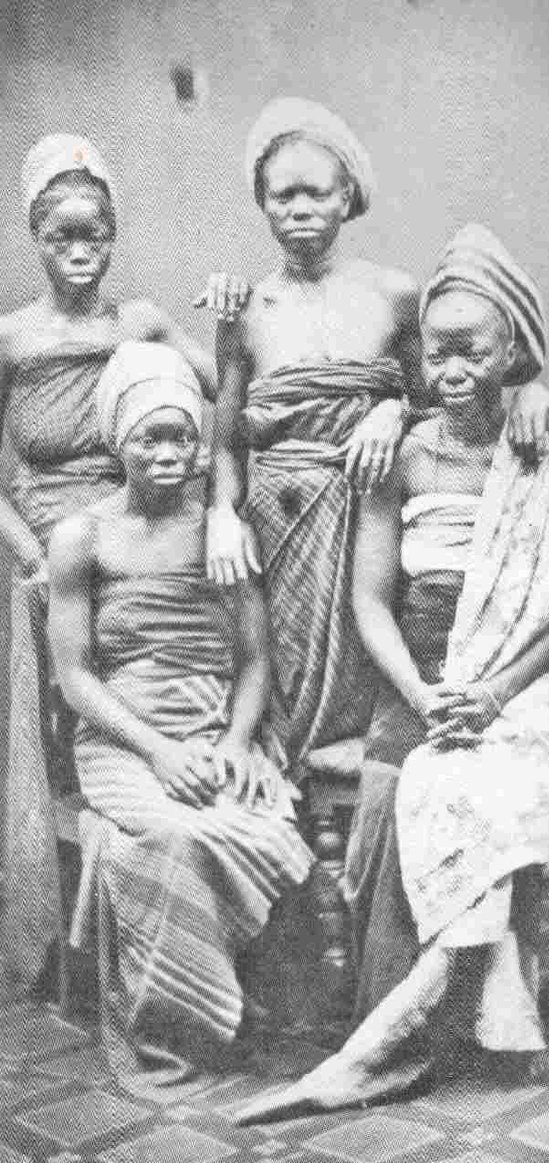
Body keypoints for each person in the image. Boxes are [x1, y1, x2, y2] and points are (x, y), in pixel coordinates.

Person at [236, 225, 549, 1122]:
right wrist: (421, 696)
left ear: (512, 356)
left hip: (514, 676)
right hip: (414, 676)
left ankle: (483, 1019)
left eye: (475, 350)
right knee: (394, 793)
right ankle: (400, 1025)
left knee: (497, 783)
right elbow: (369, 599)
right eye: (438, 350)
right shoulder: (404, 452)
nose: (453, 367)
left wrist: (493, 690)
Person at [202, 96, 549, 774]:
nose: (298, 208)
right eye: (281, 195)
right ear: (262, 203)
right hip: (279, 523)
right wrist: (221, 510)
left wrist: (392, 412)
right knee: (283, 684)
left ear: (347, 198)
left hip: (372, 511)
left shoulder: (393, 295)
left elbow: (448, 406)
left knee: (363, 690)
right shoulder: (245, 309)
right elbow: (226, 436)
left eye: (315, 192)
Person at [47, 342, 312, 1092]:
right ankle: (181, 1030)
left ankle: (240, 1009)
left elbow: (255, 660)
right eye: (149, 438)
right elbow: (75, 677)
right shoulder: (81, 538)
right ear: (117, 443)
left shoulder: (222, 530)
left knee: (257, 824)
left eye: (183, 438)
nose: (168, 454)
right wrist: (160, 753)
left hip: (213, 723)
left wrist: (232, 742)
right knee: (169, 834)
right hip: (123, 739)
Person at [0, 133, 216, 995]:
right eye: (62, 235)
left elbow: (225, 402)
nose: (80, 251)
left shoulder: (143, 324)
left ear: (114, 233)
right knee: (60, 739)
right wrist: (34, 560)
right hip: (45, 558)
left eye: (95, 233)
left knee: (150, 693)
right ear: (36, 237)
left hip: (136, 537)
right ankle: (68, 941)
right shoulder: (11, 340)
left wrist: (231, 330)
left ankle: (157, 889)